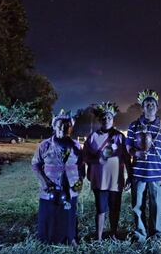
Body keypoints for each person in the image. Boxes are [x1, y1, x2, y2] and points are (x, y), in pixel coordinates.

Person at [126, 89, 161, 242]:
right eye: (147, 103)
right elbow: (128, 148)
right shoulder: (133, 126)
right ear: (142, 107)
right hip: (138, 174)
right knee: (137, 206)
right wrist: (136, 153)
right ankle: (140, 234)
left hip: (156, 174)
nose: (150, 105)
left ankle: (156, 234)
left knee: (156, 206)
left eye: (153, 103)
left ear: (157, 107)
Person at [31, 109, 84, 245]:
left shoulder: (76, 146)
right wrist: (44, 182)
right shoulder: (45, 145)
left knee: (69, 214)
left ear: (70, 128)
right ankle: (47, 240)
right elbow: (35, 165)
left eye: (66, 125)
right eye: (59, 124)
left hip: (70, 188)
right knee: (50, 214)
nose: (63, 127)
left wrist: (79, 183)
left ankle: (70, 238)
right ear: (54, 126)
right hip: (50, 188)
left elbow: (81, 166)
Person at [83, 102, 131, 240]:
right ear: (100, 120)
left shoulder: (120, 137)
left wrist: (130, 176)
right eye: (103, 118)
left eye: (109, 117)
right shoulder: (93, 137)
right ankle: (98, 237)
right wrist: (96, 161)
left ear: (113, 119)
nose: (106, 120)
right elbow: (85, 157)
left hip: (116, 180)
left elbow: (127, 158)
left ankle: (113, 233)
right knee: (100, 209)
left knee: (115, 209)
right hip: (99, 180)